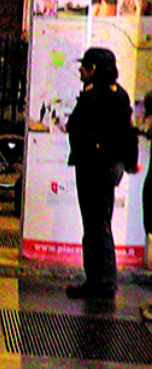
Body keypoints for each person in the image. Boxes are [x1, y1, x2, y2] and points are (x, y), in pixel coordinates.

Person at [67, 46, 137, 301]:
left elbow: (80, 126)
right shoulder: (115, 94)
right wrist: (129, 162)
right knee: (97, 225)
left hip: (95, 168)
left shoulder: (99, 96)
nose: (80, 70)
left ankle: (102, 282)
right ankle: (98, 280)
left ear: (94, 68)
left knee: (97, 226)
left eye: (84, 66)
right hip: (101, 168)